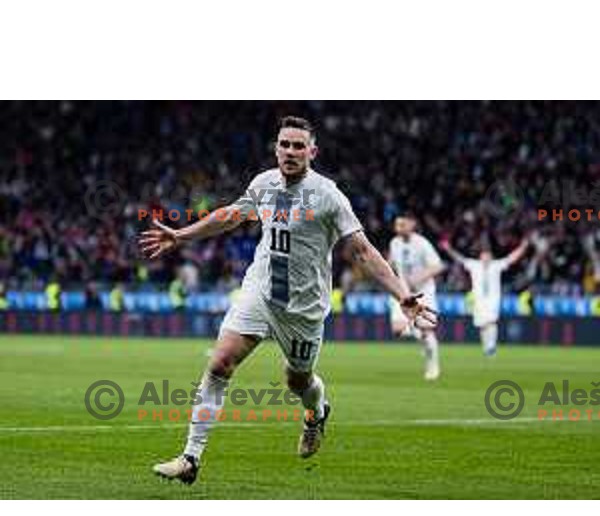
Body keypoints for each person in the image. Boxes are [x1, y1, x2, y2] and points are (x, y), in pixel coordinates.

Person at [139, 116, 436, 484]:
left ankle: (316, 413)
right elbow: (231, 215)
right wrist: (181, 235)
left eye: (299, 146)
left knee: (298, 381)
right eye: (285, 144)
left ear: (312, 151)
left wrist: (403, 295)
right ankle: (190, 458)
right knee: (219, 365)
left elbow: (361, 250)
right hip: (260, 291)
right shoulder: (263, 183)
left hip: (304, 308)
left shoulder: (327, 194)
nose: (291, 152)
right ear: (276, 148)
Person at [440, 238, 529, 356]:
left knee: (491, 322)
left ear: (491, 257)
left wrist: (522, 248)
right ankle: (487, 347)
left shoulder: (496, 265)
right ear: (480, 257)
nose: (486, 258)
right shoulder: (474, 265)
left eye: (488, 256)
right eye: (484, 256)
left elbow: (511, 259)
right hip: (479, 300)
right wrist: (448, 249)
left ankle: (491, 347)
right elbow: (459, 259)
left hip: (493, 299)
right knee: (482, 325)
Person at [388, 215, 444, 380]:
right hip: (404, 292)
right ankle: (419, 334)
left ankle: (433, 365)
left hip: (423, 292)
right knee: (398, 329)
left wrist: (419, 278)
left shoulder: (422, 243)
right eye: (397, 223)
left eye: (402, 223)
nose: (398, 226)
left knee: (426, 329)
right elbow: (391, 262)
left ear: (412, 224)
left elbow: (438, 266)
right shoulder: (394, 243)